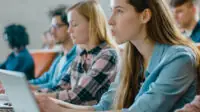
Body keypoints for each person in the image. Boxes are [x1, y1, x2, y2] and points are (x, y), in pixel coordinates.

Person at [36, 0, 200, 112]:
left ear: (145, 16)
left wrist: (60, 110)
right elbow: (103, 108)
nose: (110, 21)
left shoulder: (179, 58)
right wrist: (55, 104)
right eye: (111, 11)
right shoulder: (131, 57)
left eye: (119, 11)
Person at [36, 0, 119, 106]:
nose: (69, 30)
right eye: (69, 25)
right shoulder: (81, 55)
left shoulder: (108, 55)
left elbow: (77, 96)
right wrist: (34, 94)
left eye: (74, 25)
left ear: (92, 24)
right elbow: (61, 86)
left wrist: (41, 97)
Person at [29, 5, 77, 90]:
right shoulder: (60, 57)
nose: (52, 31)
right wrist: (24, 84)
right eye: (52, 27)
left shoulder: (76, 57)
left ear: (70, 26)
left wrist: (32, 87)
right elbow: (46, 78)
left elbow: (57, 85)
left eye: (57, 26)